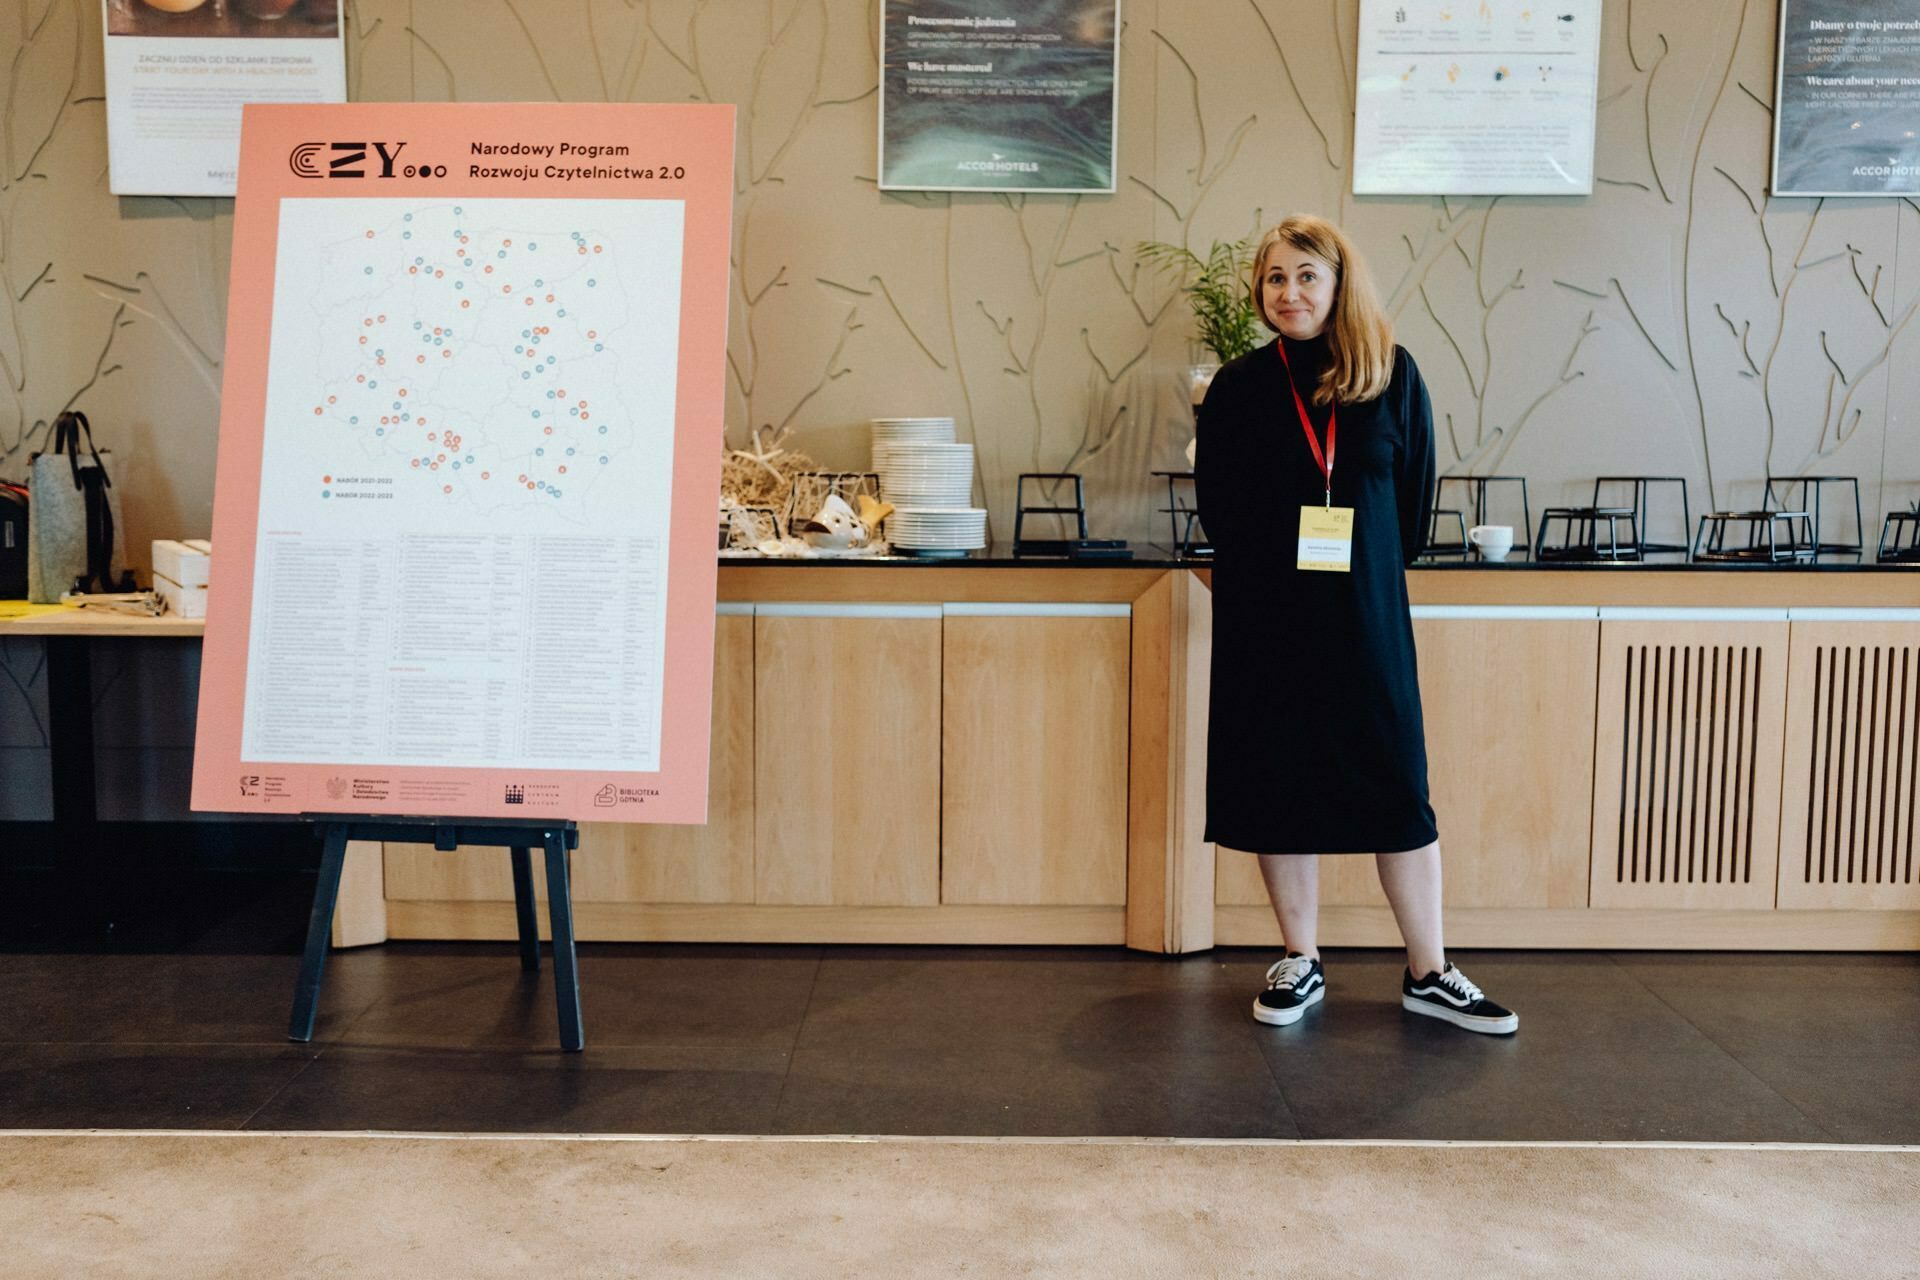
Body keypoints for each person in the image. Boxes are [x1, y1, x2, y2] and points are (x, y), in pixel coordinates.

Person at [1193, 213, 1518, 1036]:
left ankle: (1429, 971)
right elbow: (1219, 510)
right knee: (1279, 787)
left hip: (1366, 620)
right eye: (1275, 278)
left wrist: (1356, 563)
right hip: (1268, 623)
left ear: (1339, 286)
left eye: (1307, 276)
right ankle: (1300, 959)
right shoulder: (1236, 387)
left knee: (1398, 790)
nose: (1289, 292)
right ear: (1259, 292)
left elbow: (1411, 508)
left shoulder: (1391, 375)